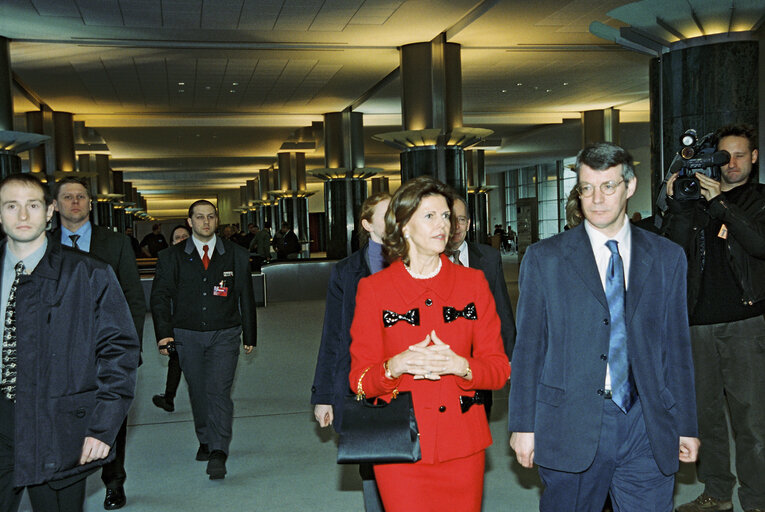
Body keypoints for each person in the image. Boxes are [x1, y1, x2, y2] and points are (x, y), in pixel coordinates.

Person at [508, 142, 699, 512]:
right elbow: (529, 348)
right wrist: (523, 425)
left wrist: (687, 424)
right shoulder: (545, 259)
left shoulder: (667, 257)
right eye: (586, 188)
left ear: (629, 186)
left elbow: (677, 348)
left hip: (646, 423)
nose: (596, 199)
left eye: (608, 186)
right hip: (570, 422)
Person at [349, 176, 511, 512]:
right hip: (400, 449)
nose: (444, 225)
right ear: (404, 226)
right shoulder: (374, 290)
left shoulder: (474, 283)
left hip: (463, 447)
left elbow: (498, 370)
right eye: (430, 216)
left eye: (446, 216)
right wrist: (396, 365)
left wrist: (461, 366)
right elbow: (359, 381)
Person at [0, 173, 139, 512]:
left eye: (32, 205)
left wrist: (102, 427)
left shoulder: (89, 273)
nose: (22, 216)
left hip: (58, 423)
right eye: (11, 206)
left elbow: (119, 353)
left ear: (49, 212)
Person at [662, 124, 765, 512]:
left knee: (752, 421)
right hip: (696, 326)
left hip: (745, 323)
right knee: (705, 419)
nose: (732, 163)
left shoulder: (758, 200)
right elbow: (671, 253)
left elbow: (758, 243)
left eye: (739, 155)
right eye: (725, 157)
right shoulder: (697, 201)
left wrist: (722, 202)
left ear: (754, 158)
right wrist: (680, 207)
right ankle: (717, 493)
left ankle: (757, 500)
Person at [51, 176, 146, 511]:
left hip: (103, 350)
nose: (74, 202)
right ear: (55, 205)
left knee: (110, 418)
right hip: (58, 356)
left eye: (80, 197)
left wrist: (129, 350)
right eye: (67, 197)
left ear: (91, 204)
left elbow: (133, 298)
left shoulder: (115, 243)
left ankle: (113, 482)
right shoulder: (42, 244)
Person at [150, 200, 256, 480]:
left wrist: (250, 333)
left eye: (210, 217)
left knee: (218, 391)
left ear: (217, 221)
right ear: (190, 222)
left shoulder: (236, 254)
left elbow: (245, 294)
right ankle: (206, 439)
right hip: (187, 334)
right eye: (199, 217)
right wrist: (164, 334)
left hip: (225, 332)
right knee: (198, 390)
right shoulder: (170, 257)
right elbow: (160, 298)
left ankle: (219, 451)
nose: (205, 222)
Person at [311, 192, 391, 512]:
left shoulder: (420, 262)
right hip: (361, 383)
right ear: (367, 224)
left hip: (410, 382)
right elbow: (333, 335)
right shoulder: (346, 272)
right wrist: (324, 395)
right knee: (371, 465)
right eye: (388, 215)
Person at [449, 195, 516, 419]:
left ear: (469, 223)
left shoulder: (488, 257)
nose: (456, 226)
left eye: (461, 219)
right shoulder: (430, 258)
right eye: (451, 219)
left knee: (480, 420)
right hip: (445, 359)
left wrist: (509, 356)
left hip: (481, 359)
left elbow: (502, 308)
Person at [151, 224, 191, 413]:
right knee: (176, 358)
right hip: (177, 321)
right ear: (172, 242)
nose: (182, 240)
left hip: (201, 321)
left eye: (185, 236)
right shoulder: (167, 261)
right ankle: (169, 398)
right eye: (178, 237)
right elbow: (160, 298)